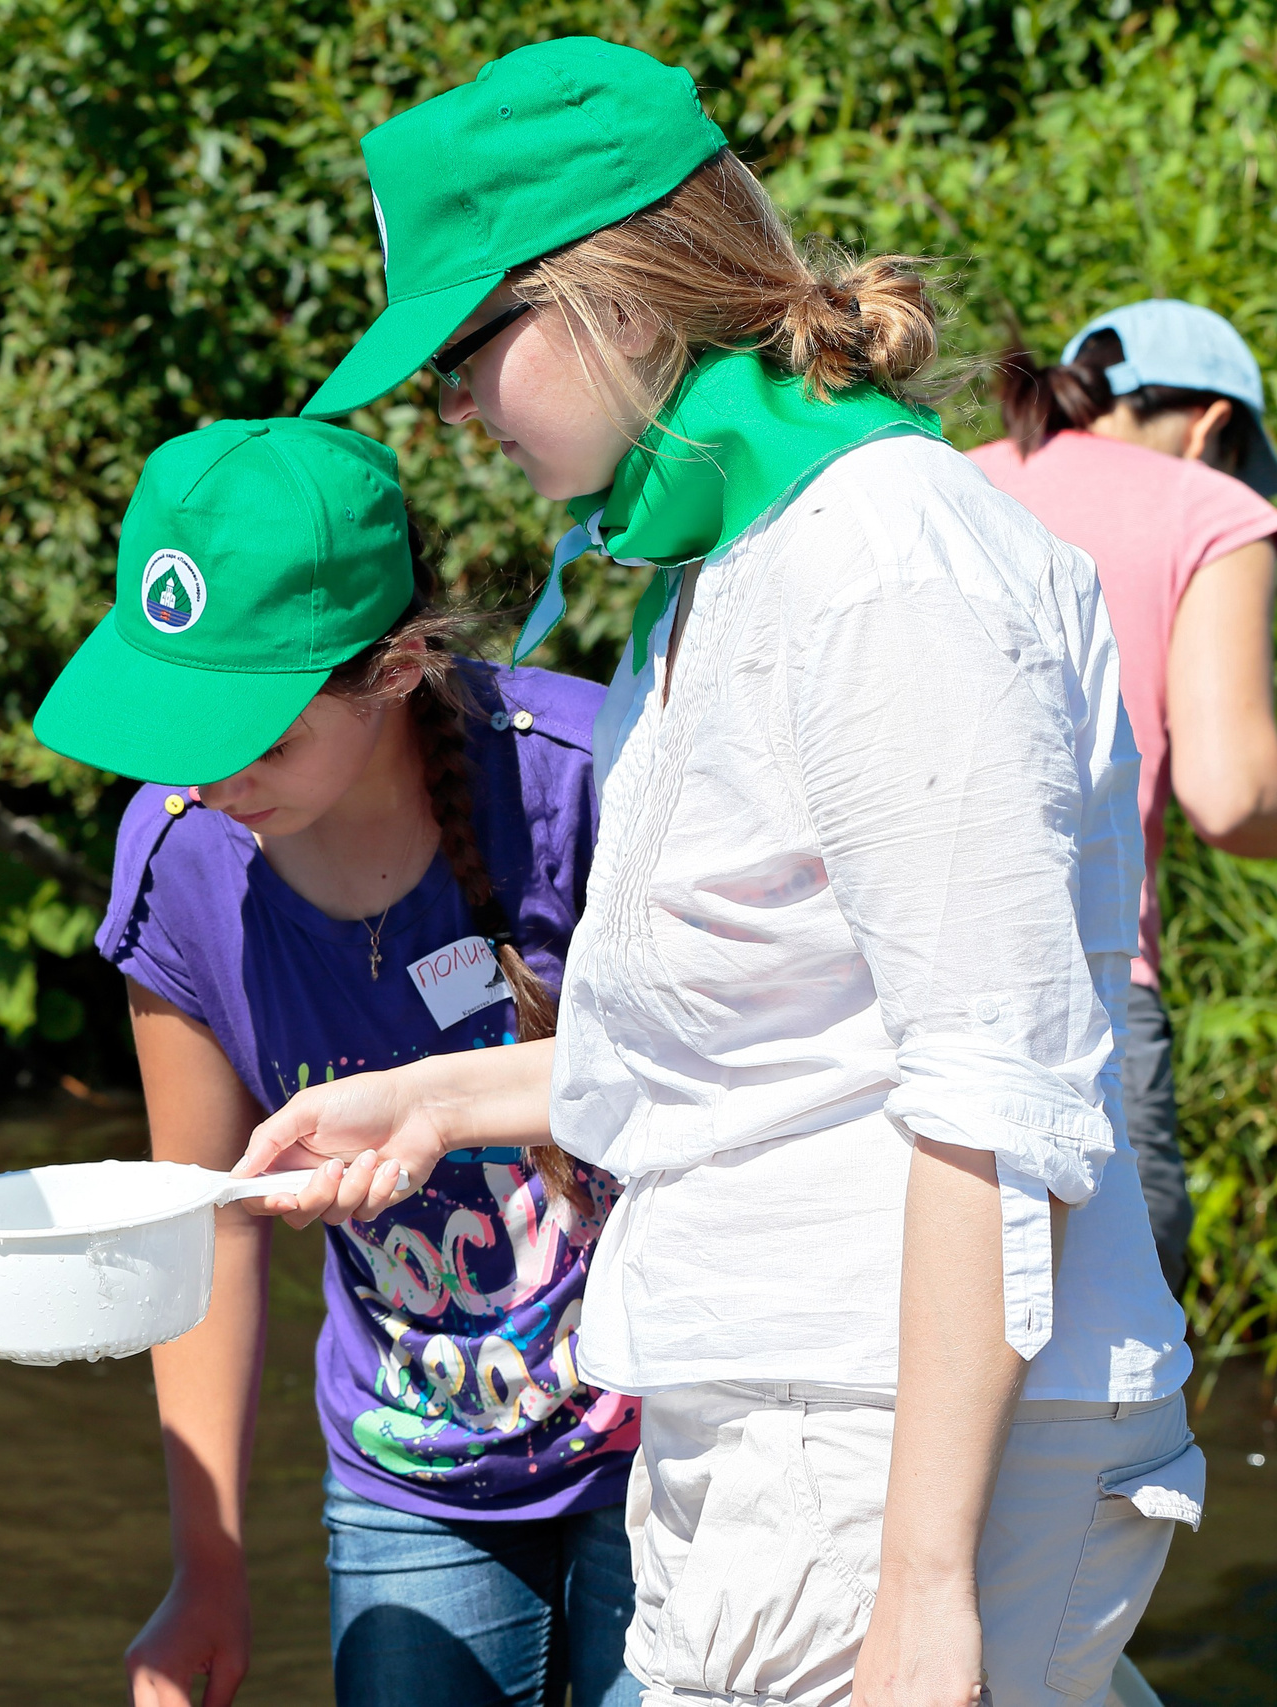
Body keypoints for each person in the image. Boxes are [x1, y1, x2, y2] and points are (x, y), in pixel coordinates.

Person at [236, 37, 1200, 1707]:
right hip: (789, 1415)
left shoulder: (884, 566)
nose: (450, 405)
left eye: (469, 345)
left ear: (614, 297)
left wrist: (924, 1591)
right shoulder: (732, 570)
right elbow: (754, 1042)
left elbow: (990, 1083)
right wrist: (435, 1101)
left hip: (882, 1438)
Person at [31, 418, 629, 1707]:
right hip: (410, 1473)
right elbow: (208, 1224)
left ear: (398, 665)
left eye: (258, 730)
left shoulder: (592, 782)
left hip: (675, 1440)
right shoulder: (176, 862)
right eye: (180, 723)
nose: (210, 772)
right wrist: (208, 1566)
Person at [972, 298, 1277, 1294]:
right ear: (1211, 428)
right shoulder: (1208, 506)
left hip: (873, 1011)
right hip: (1084, 999)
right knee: (1110, 1392)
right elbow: (1231, 795)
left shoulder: (949, 482)